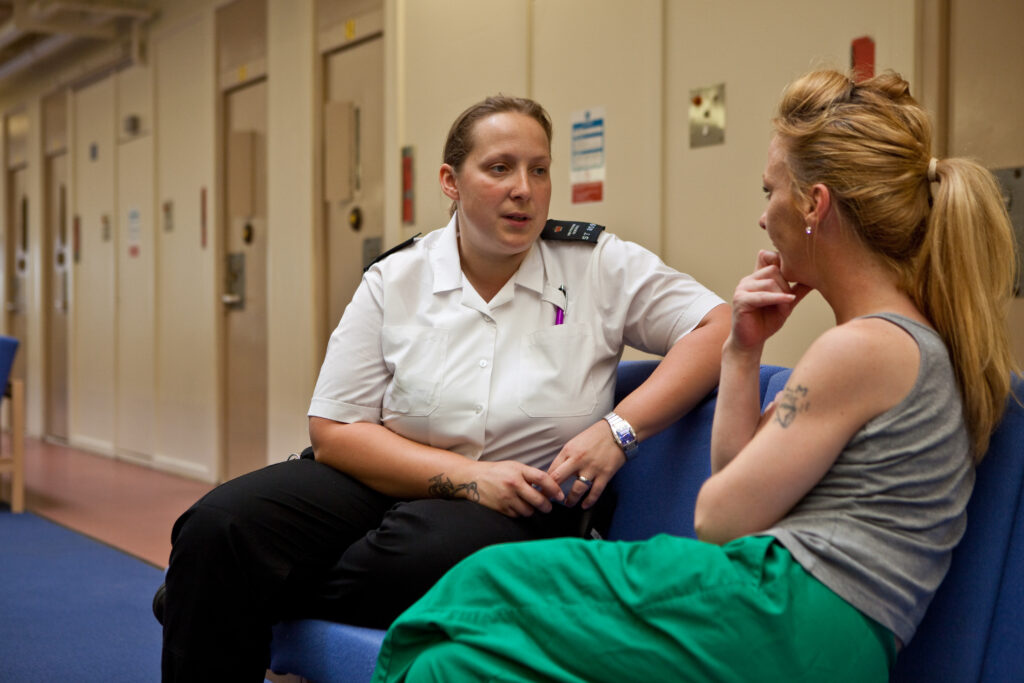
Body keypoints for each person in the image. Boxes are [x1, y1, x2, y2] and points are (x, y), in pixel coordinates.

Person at [369, 71, 1020, 682]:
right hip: (821, 635)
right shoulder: (900, 343)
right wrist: (741, 351)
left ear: (814, 205)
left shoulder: (861, 348)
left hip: (786, 610)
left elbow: (717, 518)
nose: (763, 216)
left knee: (484, 581)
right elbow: (740, 482)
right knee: (453, 666)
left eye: (769, 191)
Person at [158, 94, 729, 681]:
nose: (524, 189)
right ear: (450, 181)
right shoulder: (397, 277)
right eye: (500, 168)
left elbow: (718, 327)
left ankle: (229, 589)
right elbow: (334, 432)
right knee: (218, 525)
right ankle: (221, 580)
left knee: (416, 552)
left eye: (538, 170)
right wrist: (469, 478)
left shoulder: (597, 264)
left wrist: (619, 430)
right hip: (389, 481)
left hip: (522, 506)